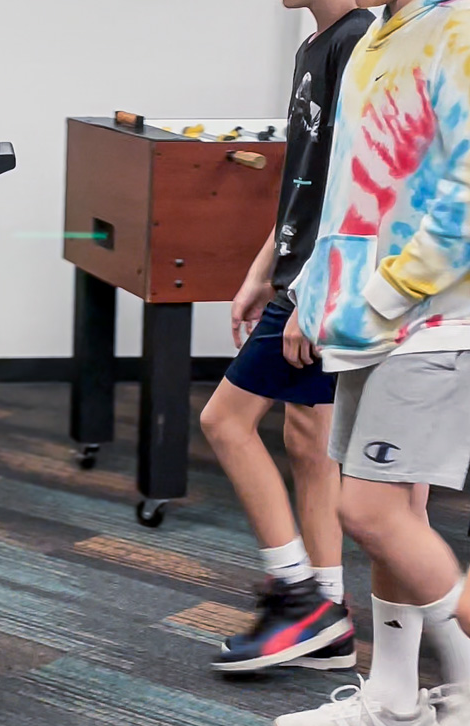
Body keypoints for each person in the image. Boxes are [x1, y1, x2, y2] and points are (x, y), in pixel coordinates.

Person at [270, 0, 470, 726]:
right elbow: (356, 191)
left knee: (370, 511)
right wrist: (323, 301)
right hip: (372, 324)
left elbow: (465, 189)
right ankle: (393, 701)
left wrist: (385, 295)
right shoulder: (377, 38)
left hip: (436, 322)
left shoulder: (455, 26)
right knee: (393, 517)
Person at [203, 0, 374, 673]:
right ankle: (329, 616)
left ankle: (298, 593)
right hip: (304, 278)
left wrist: (309, 294)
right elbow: (304, 184)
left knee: (225, 422)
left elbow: (357, 183)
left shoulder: (356, 41)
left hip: (323, 286)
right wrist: (261, 272)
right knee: (309, 440)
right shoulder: (316, 46)